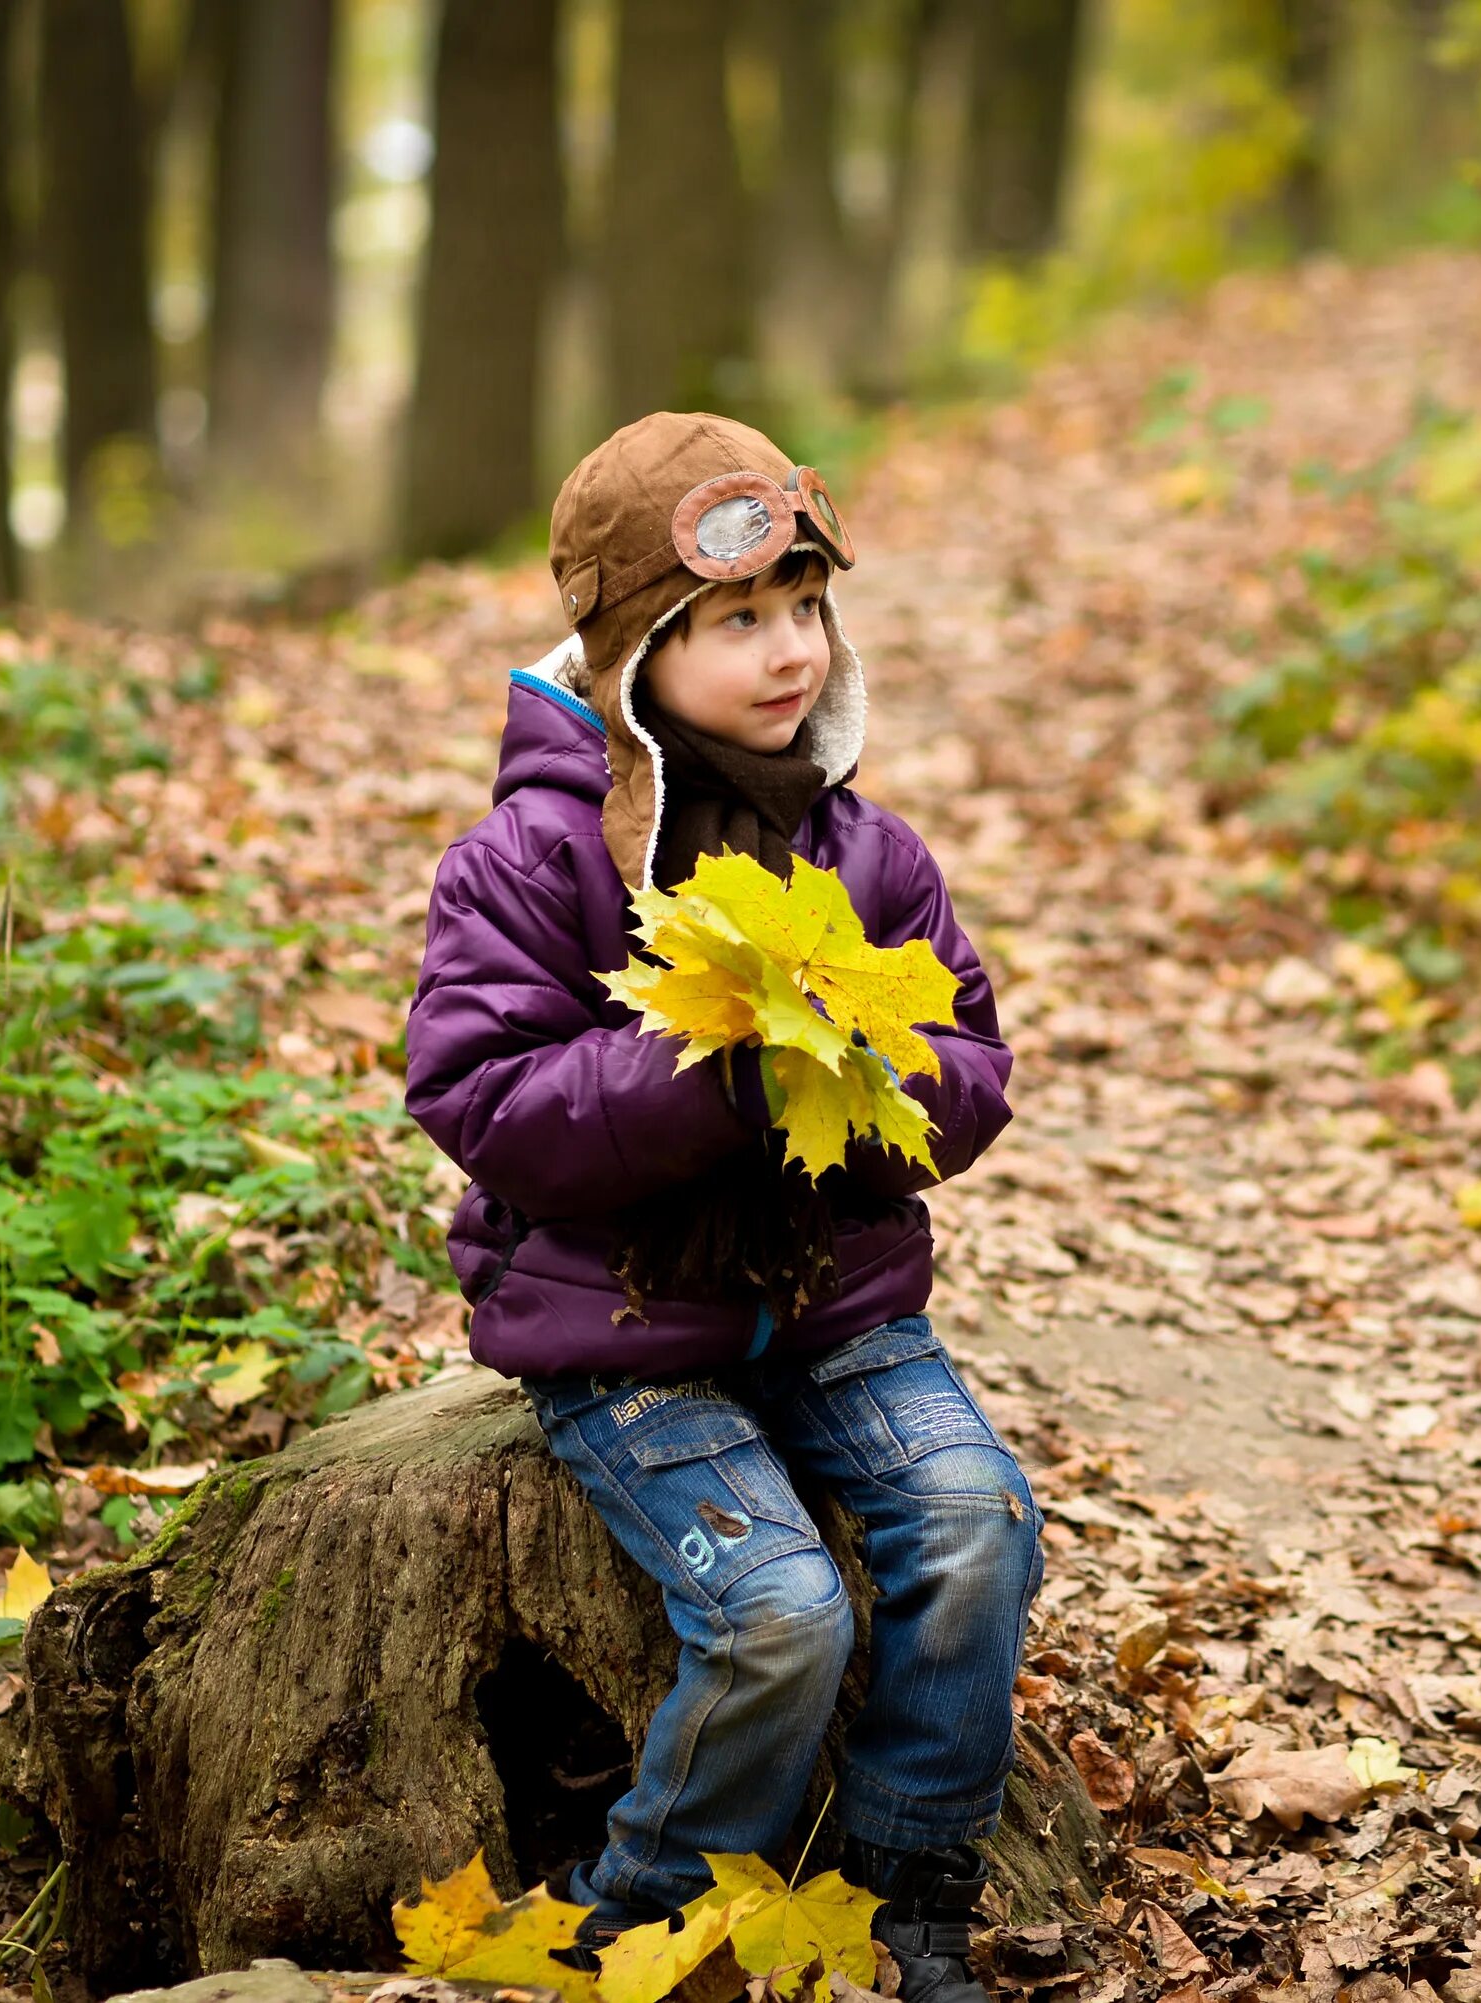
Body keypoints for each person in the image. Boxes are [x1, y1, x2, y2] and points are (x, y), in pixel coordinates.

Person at [405, 412, 1034, 2003]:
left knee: (976, 1525)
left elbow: (973, 1060)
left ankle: (905, 1888)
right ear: (633, 655)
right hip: (623, 1329)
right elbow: (482, 1102)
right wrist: (712, 1072)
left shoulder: (867, 852)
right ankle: (647, 1921)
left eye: (805, 610)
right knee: (777, 1615)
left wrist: (873, 1077)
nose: (787, 652)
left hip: (837, 1303)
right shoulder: (530, 863)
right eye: (737, 621)